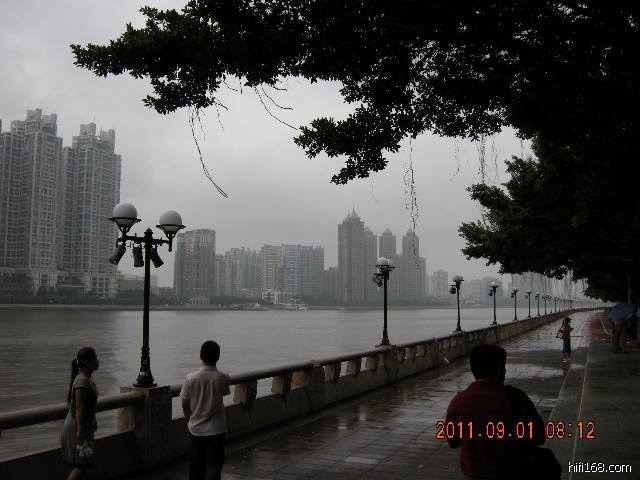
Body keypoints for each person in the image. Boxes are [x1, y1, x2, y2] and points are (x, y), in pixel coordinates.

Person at [445, 344, 545, 479]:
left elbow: (453, 442)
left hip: (472, 473)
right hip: (512, 472)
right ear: (500, 370)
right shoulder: (516, 398)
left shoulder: (459, 401)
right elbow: (539, 437)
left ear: (473, 369)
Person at [180, 340, 231, 480]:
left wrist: (189, 419)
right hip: (217, 429)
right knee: (214, 467)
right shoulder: (223, 378)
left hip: (195, 429)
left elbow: (184, 402)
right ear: (218, 357)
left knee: (195, 466)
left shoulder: (191, 378)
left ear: (200, 355)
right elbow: (224, 393)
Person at [60, 347, 100, 480]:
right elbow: (79, 406)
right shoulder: (82, 380)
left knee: (84, 464)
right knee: (81, 465)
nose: (98, 361)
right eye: (95, 359)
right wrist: (80, 430)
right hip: (77, 428)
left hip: (82, 426)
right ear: (87, 362)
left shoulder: (86, 379)